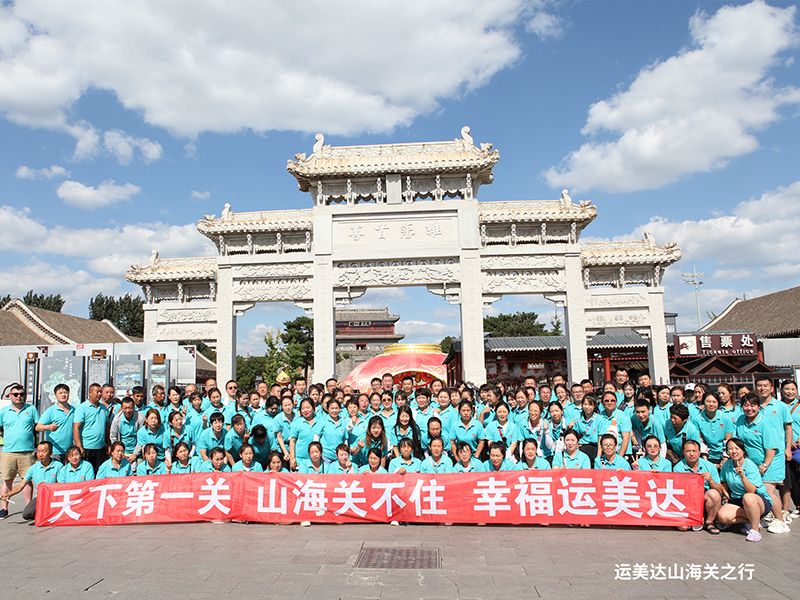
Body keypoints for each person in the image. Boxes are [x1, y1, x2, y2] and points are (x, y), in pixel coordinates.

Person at [734, 392, 788, 533]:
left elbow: (771, 448)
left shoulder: (765, 423)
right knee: (756, 491)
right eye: (746, 405)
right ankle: (761, 517)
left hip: (770, 462)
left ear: (759, 407)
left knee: (767, 492)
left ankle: (781, 521)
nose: (749, 409)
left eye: (753, 405)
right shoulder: (741, 420)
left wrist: (765, 465)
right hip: (753, 464)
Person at [717, 438, 773, 542]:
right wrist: (726, 495)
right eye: (730, 449)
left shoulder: (751, 466)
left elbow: (751, 491)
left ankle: (755, 530)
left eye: (737, 448)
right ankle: (752, 520)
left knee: (748, 497)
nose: (734, 451)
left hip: (756, 500)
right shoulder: (726, 465)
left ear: (743, 450)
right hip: (736, 499)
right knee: (723, 516)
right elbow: (723, 482)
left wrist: (743, 476)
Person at [0, 383, 38, 519]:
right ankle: (4, 508)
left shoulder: (31, 409)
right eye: (15, 394)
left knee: (27, 480)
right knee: (7, 479)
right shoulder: (4, 411)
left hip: (27, 451)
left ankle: (28, 507)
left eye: (21, 394)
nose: (18, 397)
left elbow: (37, 426)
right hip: (8, 451)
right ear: (10, 396)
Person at [0, 440, 60, 520]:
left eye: (44, 451)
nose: (40, 454)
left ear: (50, 453)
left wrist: (48, 486)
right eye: (38, 451)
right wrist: (8, 494)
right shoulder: (33, 468)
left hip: (55, 496)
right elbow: (21, 485)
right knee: (27, 514)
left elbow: (62, 484)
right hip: (40, 497)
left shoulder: (58, 466)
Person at [673, 439, 724, 534]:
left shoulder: (710, 466)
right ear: (683, 452)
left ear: (699, 452)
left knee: (714, 494)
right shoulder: (678, 468)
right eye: (688, 451)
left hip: (704, 497)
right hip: (687, 500)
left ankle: (709, 521)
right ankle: (696, 521)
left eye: (694, 451)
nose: (692, 454)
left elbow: (720, 490)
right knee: (682, 527)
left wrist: (710, 481)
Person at [73, 382, 109, 473]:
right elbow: (76, 428)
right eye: (97, 392)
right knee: (87, 473)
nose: (99, 394)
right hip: (87, 447)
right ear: (90, 393)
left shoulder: (103, 407)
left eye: (100, 392)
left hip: (101, 448)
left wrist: (108, 443)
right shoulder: (82, 408)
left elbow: (107, 426)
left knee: (100, 473)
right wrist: (79, 446)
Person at [36, 383, 75, 462]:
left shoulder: (74, 410)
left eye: (65, 392)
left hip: (69, 450)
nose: (63, 395)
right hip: (54, 451)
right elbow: (38, 427)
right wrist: (48, 427)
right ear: (55, 395)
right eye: (60, 393)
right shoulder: (51, 411)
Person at [692, 391, 733, 465]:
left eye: (714, 402)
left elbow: (728, 441)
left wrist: (725, 459)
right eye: (708, 401)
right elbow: (700, 441)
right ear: (703, 402)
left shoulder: (725, 418)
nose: (711, 404)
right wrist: (705, 460)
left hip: (724, 456)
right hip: (707, 456)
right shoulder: (697, 419)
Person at [289, 399, 325, 470]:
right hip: (300, 460)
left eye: (308, 407)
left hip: (317, 460)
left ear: (313, 408)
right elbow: (292, 441)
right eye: (303, 408)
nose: (305, 410)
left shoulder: (320, 421)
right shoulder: (296, 423)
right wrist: (292, 457)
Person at [109, 397, 144, 465]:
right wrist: (121, 452)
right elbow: (113, 436)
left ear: (134, 407)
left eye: (130, 408)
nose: (128, 411)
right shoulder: (117, 419)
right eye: (125, 408)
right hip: (122, 451)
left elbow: (142, 438)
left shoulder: (140, 417)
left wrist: (135, 454)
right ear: (122, 408)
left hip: (137, 451)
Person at [320, 398, 348, 464]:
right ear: (328, 409)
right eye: (332, 408)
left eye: (336, 408)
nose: (334, 410)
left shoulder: (343, 421)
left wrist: (345, 453)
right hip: (325, 456)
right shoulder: (323, 421)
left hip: (339, 457)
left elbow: (345, 440)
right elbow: (316, 438)